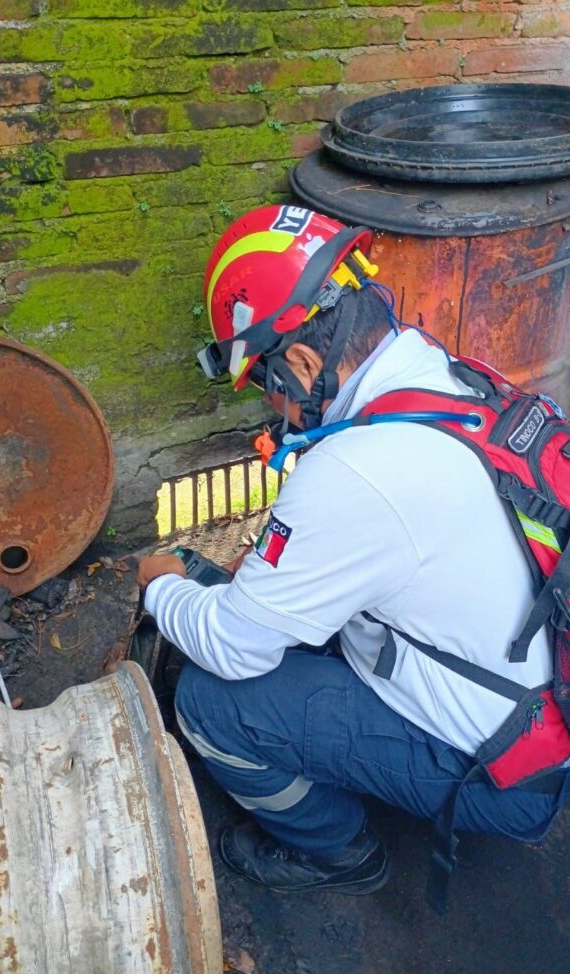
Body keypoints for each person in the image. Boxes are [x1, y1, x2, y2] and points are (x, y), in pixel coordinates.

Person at [137, 204, 570, 904]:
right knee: (257, 601)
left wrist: (158, 585)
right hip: (538, 704)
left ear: (303, 362)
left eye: (268, 386)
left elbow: (235, 647)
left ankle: (339, 852)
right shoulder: (442, 376)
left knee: (211, 701)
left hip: (504, 774)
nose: (273, 408)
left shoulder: (356, 472)